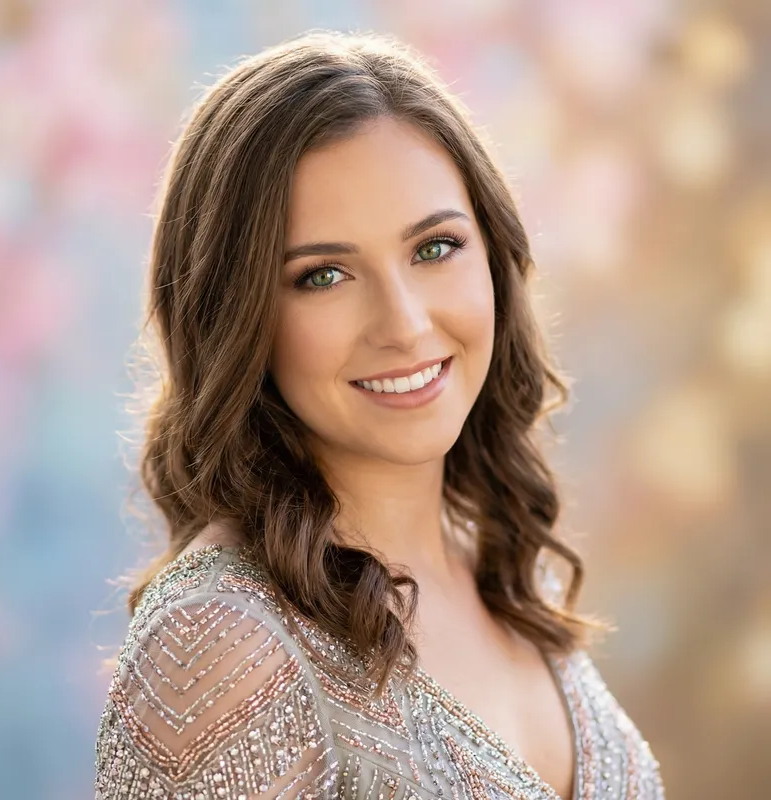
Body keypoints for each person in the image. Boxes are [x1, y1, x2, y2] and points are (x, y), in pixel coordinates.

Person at [94, 30, 664, 800]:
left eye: (434, 249)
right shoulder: (223, 648)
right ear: (235, 318)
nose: (403, 323)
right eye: (323, 275)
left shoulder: (499, 567)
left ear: (491, 256)